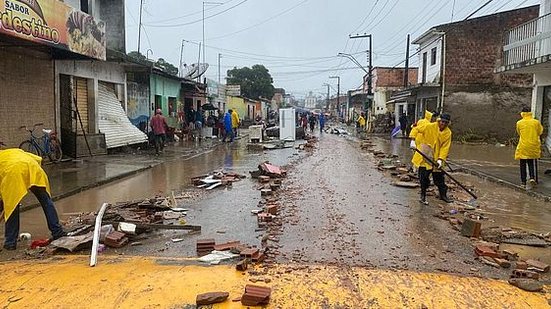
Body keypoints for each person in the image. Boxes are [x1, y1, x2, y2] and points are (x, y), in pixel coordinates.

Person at [0, 149, 66, 250]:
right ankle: (57, 232)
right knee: (46, 201)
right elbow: (38, 159)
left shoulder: (5, 161)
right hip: (33, 168)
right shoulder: (11, 152)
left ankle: (10, 242)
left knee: (12, 206)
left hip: (13, 172)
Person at [411, 113, 452, 205]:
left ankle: (443, 195)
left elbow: (445, 147)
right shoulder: (430, 126)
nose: (443, 124)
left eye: (446, 123)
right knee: (424, 178)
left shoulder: (448, 133)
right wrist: (413, 140)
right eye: (442, 122)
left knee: (439, 179)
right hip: (425, 155)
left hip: (436, 158)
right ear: (439, 121)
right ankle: (423, 196)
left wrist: (441, 159)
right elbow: (416, 128)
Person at [515, 106, 543, 188]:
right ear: (530, 112)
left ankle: (523, 182)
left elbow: (519, 132)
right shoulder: (536, 122)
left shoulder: (519, 123)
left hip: (523, 145)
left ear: (522, 113)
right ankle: (532, 177)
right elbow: (540, 132)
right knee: (531, 161)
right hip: (533, 145)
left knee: (522, 164)